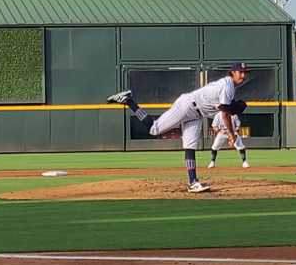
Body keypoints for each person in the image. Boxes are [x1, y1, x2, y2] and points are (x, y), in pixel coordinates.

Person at [106, 63, 249, 193]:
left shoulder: (229, 88)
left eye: (245, 72)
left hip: (197, 114)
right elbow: (225, 114)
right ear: (233, 72)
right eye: (240, 72)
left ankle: (193, 182)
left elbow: (225, 108)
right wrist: (232, 134)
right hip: (187, 105)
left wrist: (234, 109)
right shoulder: (228, 85)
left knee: (190, 146)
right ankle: (128, 100)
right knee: (154, 129)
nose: (243, 75)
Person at [208, 100, 250, 169]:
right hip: (222, 133)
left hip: (233, 132)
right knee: (215, 147)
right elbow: (214, 126)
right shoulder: (218, 115)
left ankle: (244, 162)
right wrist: (219, 131)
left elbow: (238, 125)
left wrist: (235, 133)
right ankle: (212, 162)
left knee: (240, 146)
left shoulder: (234, 115)